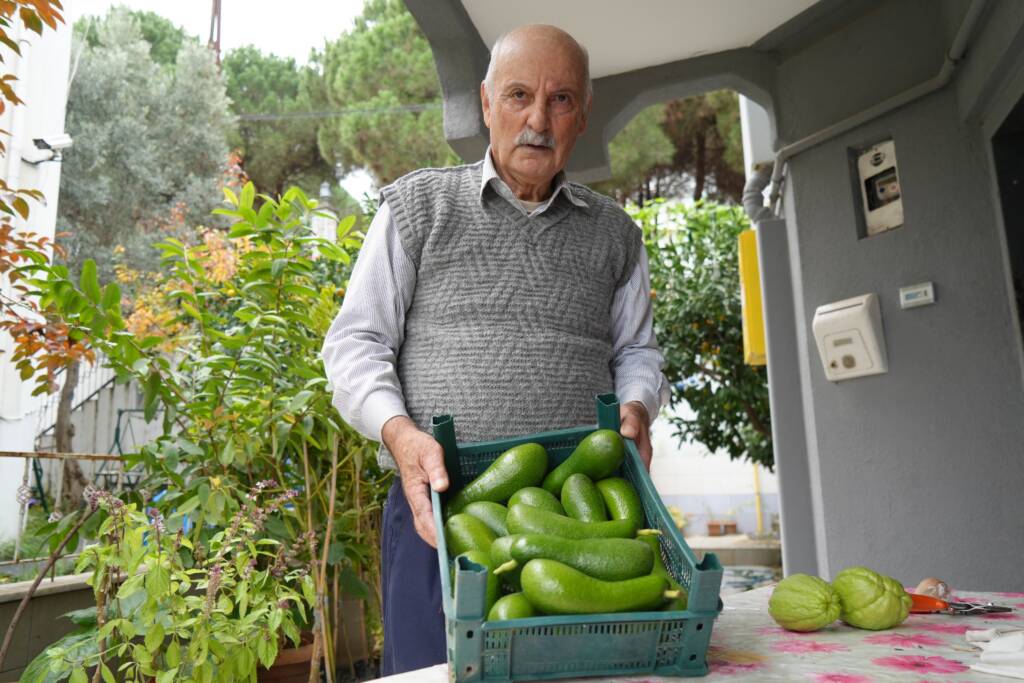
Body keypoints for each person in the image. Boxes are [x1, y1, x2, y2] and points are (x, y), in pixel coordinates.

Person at [321, 24, 668, 676]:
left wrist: (638, 405)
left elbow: (638, 352)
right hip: (438, 510)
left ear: (583, 116)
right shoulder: (419, 206)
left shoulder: (616, 234)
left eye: (561, 99)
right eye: (518, 96)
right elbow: (356, 342)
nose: (538, 119)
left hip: (580, 515)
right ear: (485, 105)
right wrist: (397, 433)